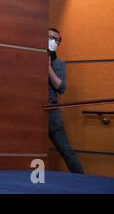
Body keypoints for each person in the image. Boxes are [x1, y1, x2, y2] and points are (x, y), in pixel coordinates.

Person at [48, 28, 84, 174]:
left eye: (57, 40)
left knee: (66, 149)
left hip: (51, 111)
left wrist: (48, 68)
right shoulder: (31, 57)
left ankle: (82, 180)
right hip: (32, 110)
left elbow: (61, 87)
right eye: (50, 37)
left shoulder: (59, 63)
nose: (53, 41)